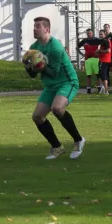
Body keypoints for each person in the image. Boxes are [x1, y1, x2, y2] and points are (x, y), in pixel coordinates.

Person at [24, 17, 85, 160]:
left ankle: (78, 140)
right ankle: (56, 146)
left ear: (47, 29)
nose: (35, 28)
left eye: (38, 26)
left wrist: (40, 65)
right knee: (37, 117)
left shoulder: (56, 47)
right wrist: (28, 66)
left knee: (57, 109)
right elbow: (33, 75)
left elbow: (53, 73)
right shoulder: (34, 47)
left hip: (66, 82)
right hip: (50, 86)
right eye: (34, 26)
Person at [76, 28, 100, 94]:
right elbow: (77, 47)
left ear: (92, 33)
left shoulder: (96, 40)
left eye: (90, 33)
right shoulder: (84, 41)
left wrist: (100, 52)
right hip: (87, 60)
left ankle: (99, 87)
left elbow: (104, 45)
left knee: (97, 74)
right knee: (88, 75)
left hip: (95, 59)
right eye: (88, 33)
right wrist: (82, 54)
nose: (89, 34)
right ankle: (88, 89)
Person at [97, 29, 111, 95]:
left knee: (103, 75)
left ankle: (106, 90)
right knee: (99, 74)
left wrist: (100, 51)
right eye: (99, 34)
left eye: (101, 34)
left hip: (105, 60)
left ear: (105, 34)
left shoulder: (106, 41)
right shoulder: (101, 41)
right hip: (101, 59)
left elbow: (108, 50)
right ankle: (102, 87)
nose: (100, 35)